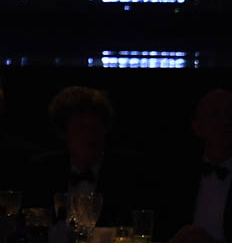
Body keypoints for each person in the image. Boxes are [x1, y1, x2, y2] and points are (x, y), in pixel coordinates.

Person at [163, 88, 232, 243]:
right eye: (214, 115)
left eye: (231, 113)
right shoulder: (178, 174)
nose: (224, 122)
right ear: (196, 126)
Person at [24, 86, 144, 227]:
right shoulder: (42, 170)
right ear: (63, 132)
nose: (90, 135)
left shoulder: (129, 172)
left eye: (95, 127)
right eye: (80, 127)